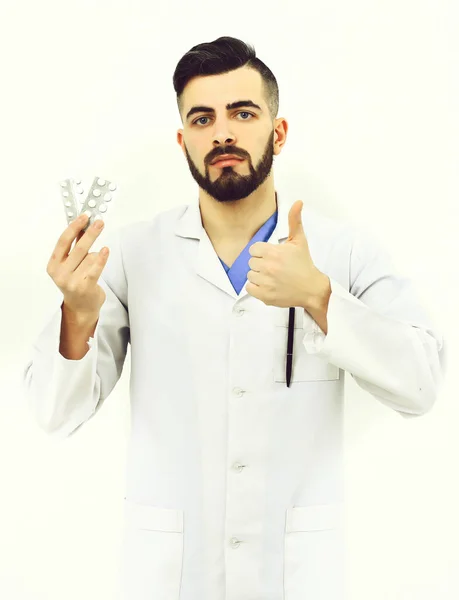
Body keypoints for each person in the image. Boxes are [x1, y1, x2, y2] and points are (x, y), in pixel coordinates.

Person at [23, 36, 447, 600]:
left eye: (243, 113)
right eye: (202, 118)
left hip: (295, 574)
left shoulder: (342, 252)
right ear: (183, 142)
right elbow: (54, 415)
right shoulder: (131, 255)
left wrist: (320, 297)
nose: (223, 132)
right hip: (171, 574)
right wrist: (77, 314)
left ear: (278, 131)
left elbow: (422, 383)